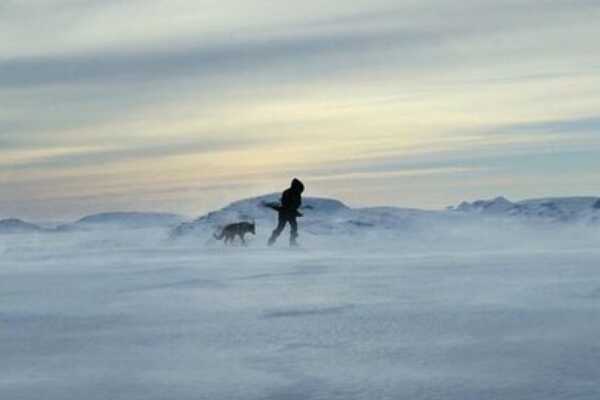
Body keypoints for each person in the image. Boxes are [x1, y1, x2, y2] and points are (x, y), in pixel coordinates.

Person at [268, 178, 305, 247]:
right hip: (284, 213)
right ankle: (271, 241)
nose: (300, 192)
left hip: (291, 214)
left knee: (294, 227)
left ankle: (292, 242)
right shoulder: (287, 192)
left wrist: (296, 212)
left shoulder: (297, 195)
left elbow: (295, 206)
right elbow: (286, 205)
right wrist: (294, 212)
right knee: (280, 228)